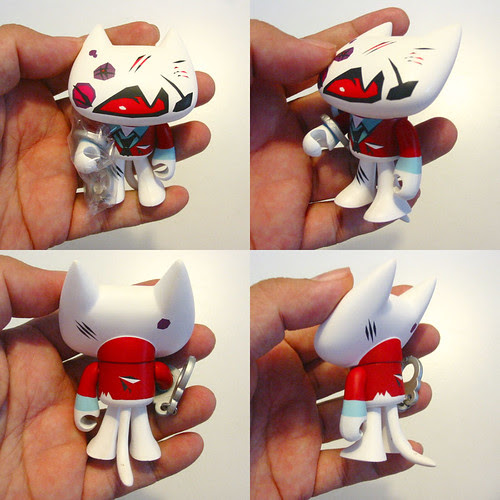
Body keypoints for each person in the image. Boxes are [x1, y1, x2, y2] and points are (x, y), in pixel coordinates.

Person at [0, 256, 215, 498]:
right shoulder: (108, 363)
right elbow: (97, 381)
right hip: (118, 396)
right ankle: (110, 447)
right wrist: (86, 408)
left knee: (136, 422)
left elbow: (159, 374)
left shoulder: (139, 359)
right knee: (119, 422)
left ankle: (135, 446)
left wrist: (166, 384)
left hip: (133, 398)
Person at [250, 8, 458, 249]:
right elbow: (340, 123)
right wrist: (324, 135)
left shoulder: (397, 123)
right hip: (361, 153)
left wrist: (410, 173)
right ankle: (362, 188)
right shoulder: (353, 113)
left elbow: (410, 146)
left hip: (384, 156)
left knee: (385, 175)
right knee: (364, 173)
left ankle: (387, 198)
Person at [0, 22, 215, 249]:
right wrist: (87, 153)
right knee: (115, 170)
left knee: (144, 169)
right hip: (115, 154)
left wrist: (165, 157)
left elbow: (164, 138)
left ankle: (148, 185)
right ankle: (112, 191)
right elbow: (93, 138)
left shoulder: (156, 122)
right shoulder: (101, 121)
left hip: (142, 153)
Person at [250, 268, 440, 498]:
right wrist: (352, 418)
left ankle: (395, 443)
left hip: (391, 387)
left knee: (391, 419)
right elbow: (356, 387)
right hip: (383, 389)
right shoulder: (360, 368)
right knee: (378, 420)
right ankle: (375, 445)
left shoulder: (381, 360)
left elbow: (357, 384)